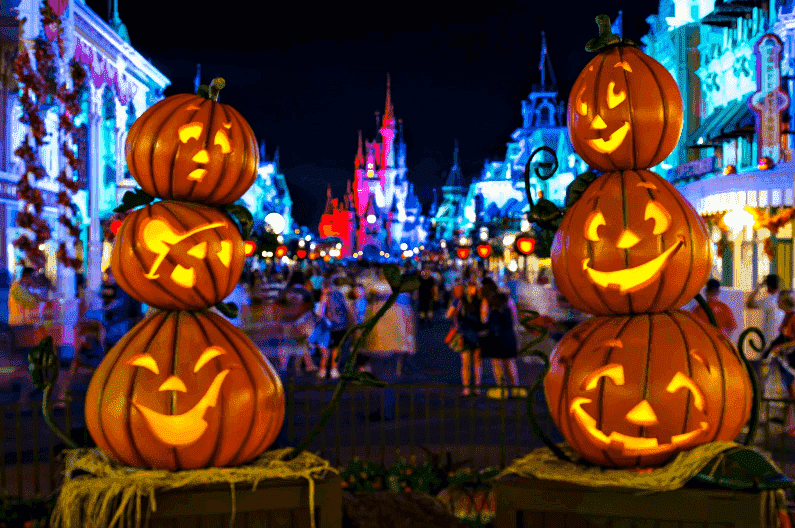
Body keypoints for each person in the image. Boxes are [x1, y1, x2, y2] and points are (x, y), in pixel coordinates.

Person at [481, 288, 520, 398]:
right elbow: (515, 320)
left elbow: (484, 320)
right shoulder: (510, 302)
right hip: (509, 336)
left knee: (497, 364)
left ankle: (502, 390)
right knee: (510, 363)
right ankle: (515, 389)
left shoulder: (490, 303)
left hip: (495, 337)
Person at [447, 279, 484, 396]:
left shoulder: (460, 300)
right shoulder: (479, 301)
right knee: (471, 362)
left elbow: (448, 314)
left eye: (474, 287)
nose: (472, 289)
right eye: (471, 287)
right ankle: (471, 388)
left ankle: (470, 388)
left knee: (470, 362)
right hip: (470, 334)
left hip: (470, 334)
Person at [746, 274, 784, 366]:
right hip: (783, 342)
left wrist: (758, 287)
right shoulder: (784, 299)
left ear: (768, 287)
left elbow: (749, 304)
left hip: (770, 343)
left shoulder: (770, 301)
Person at [316, 274, 350, 380]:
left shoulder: (324, 296)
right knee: (336, 349)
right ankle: (333, 370)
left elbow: (320, 313)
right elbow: (347, 309)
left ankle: (322, 370)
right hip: (340, 326)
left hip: (327, 326)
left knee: (325, 350)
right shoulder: (339, 294)